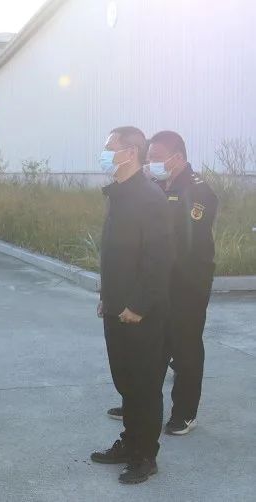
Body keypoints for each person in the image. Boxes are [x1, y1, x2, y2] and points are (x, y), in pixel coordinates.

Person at [106, 131, 218, 436]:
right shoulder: (154, 186)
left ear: (177, 158)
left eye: (156, 158)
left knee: (185, 346)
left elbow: (184, 241)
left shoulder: (198, 191)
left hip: (187, 283)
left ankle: (185, 412)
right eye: (149, 158)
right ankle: (139, 403)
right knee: (151, 347)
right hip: (159, 282)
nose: (150, 164)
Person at [90, 126, 174, 484]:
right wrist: (106, 296)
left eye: (111, 147)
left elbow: (159, 259)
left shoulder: (149, 197)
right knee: (126, 382)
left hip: (141, 313)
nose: (105, 153)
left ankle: (145, 456)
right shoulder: (120, 193)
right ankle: (129, 442)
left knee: (144, 385)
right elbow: (116, 255)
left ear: (131, 152)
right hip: (117, 305)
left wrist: (138, 305)